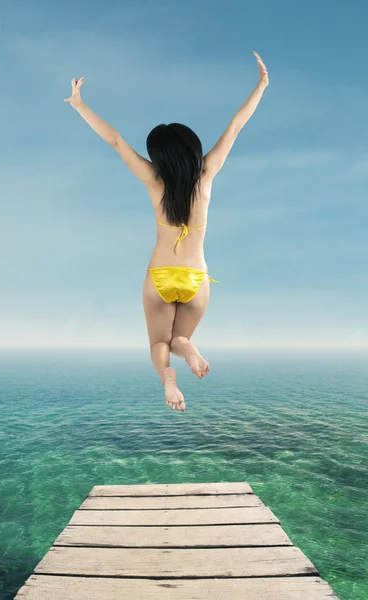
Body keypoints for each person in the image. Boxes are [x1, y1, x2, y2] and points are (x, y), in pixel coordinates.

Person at [64, 51, 269, 412]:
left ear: (158, 157)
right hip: (196, 278)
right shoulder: (206, 176)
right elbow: (236, 125)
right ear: (193, 151)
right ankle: (187, 348)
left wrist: (80, 105)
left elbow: (115, 140)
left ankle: (167, 378)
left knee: (159, 344)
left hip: (159, 276)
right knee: (180, 337)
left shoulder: (153, 179)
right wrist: (261, 86)